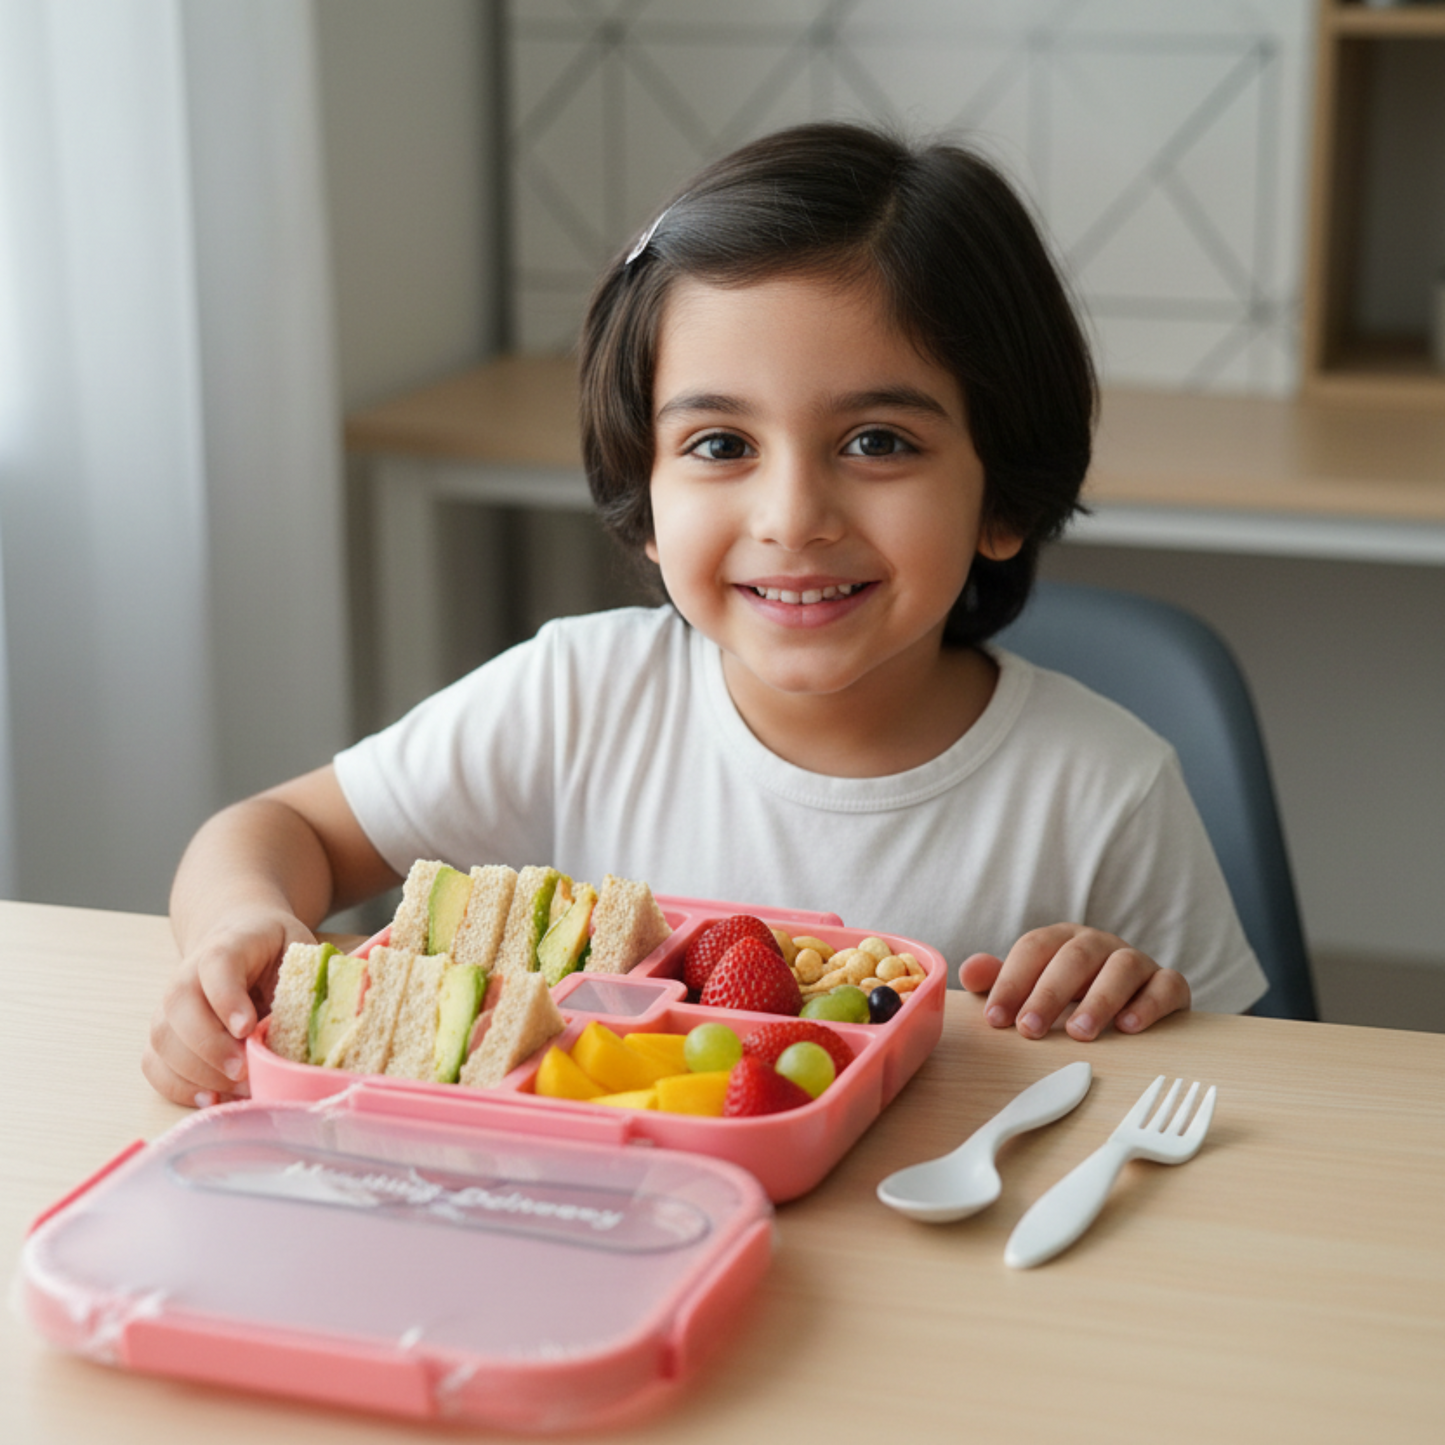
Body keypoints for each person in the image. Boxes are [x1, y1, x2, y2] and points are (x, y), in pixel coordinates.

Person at [145, 122, 1266, 1109]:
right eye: (719, 445)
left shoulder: (1103, 789)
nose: (790, 515)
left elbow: (1248, 1096)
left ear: (1002, 495)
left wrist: (1131, 998)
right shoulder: (576, 697)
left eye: (876, 441)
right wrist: (236, 925)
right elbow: (268, 833)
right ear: (644, 497)